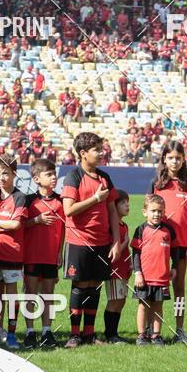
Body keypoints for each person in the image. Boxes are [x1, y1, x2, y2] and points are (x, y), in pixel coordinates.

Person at [61, 132, 121, 348]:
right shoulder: (73, 177)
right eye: (96, 149)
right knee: (80, 286)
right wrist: (95, 198)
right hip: (79, 241)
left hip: (102, 242)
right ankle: (74, 334)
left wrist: (115, 240)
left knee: (95, 286)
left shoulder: (105, 177)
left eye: (101, 148)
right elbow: (69, 210)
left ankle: (89, 334)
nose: (101, 152)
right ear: (83, 153)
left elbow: (112, 209)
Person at [151, 142, 187, 342]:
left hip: (182, 242)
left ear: (183, 160)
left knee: (179, 286)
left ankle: (179, 330)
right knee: (159, 285)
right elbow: (149, 211)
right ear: (164, 159)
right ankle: (154, 331)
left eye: (178, 158)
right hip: (160, 241)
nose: (175, 161)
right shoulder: (157, 183)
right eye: (171, 157)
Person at [0, 156, 28, 349]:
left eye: (6, 173)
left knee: (11, 297)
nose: (1, 177)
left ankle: (11, 334)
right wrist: (0, 225)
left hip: (12, 255)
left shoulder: (20, 197)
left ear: (14, 174)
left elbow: (16, 224)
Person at [23, 158, 64, 349]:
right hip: (31, 255)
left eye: (54, 173)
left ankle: (47, 331)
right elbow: (20, 226)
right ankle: (30, 332)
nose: (53, 177)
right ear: (37, 179)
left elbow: (63, 230)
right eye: (49, 174)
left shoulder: (61, 201)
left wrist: (60, 253)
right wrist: (36, 220)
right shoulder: (28, 201)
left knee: (48, 294)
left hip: (50, 256)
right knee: (30, 293)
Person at [131, 193, 178, 346]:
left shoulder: (169, 231)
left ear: (164, 212)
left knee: (158, 306)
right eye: (153, 211)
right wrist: (137, 273)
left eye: (160, 211)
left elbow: (175, 251)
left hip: (162, 277)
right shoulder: (140, 230)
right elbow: (136, 253)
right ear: (145, 212)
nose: (157, 214)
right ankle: (141, 335)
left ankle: (156, 335)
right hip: (144, 277)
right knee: (143, 305)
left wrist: (175, 267)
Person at [103, 190, 131, 343]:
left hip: (123, 269)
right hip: (114, 269)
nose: (127, 205)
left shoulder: (124, 225)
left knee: (122, 300)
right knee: (114, 300)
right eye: (122, 202)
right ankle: (110, 334)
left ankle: (114, 333)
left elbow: (126, 250)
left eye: (128, 202)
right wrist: (125, 242)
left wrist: (130, 262)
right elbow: (114, 249)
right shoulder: (111, 227)